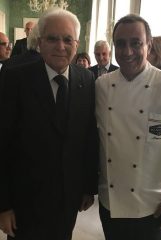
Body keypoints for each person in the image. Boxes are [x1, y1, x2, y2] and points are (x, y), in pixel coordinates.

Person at [0, 7, 98, 240]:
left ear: (76, 43)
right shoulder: (14, 78)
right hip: (24, 200)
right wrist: (3, 206)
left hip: (68, 198)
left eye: (67, 39)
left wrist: (88, 187)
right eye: (52, 38)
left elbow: (88, 136)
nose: (60, 46)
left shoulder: (86, 79)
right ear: (39, 42)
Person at [95, 14, 161, 240]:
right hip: (110, 204)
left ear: (149, 44)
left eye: (136, 43)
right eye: (120, 44)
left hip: (152, 206)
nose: (127, 52)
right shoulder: (102, 85)